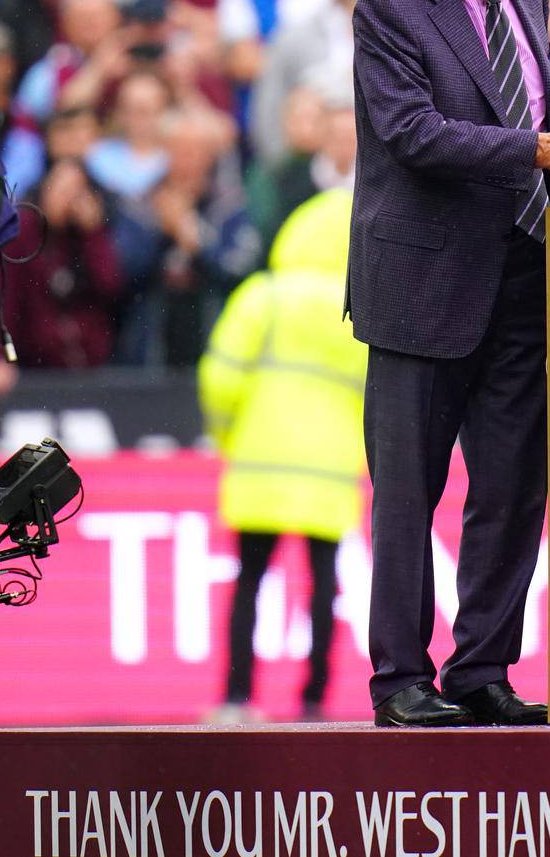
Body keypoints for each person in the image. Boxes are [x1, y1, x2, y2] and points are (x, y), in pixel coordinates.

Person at [350, 0, 550, 728]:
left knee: (513, 484)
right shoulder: (388, 7)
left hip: (526, 271)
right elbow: (414, 133)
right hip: (422, 288)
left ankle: (481, 670)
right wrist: (537, 149)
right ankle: (399, 680)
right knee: (409, 493)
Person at [199, 189, 365, 724]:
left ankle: (236, 697)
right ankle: (314, 699)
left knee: (249, 581)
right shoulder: (361, 308)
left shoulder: (262, 296)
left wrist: (228, 437)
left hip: (258, 467)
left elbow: (219, 377)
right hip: (331, 473)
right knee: (324, 586)